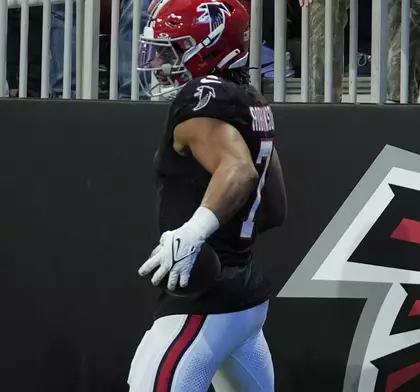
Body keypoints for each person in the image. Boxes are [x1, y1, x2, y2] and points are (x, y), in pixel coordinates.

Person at [128, 0, 287, 390]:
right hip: (245, 299)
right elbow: (274, 208)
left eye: (173, 49)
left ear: (210, 47)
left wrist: (196, 231)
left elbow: (239, 171)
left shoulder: (200, 100)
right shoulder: (249, 98)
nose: (162, 61)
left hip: (204, 306)